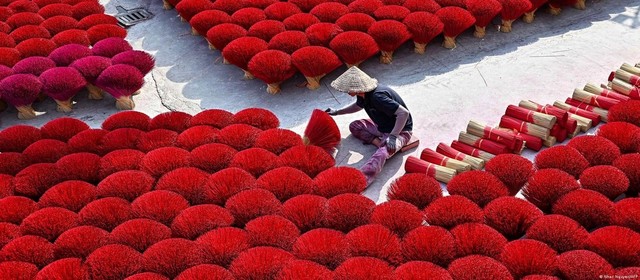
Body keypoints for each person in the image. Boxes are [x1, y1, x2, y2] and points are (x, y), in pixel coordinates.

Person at [326, 66, 413, 185]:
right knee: (355, 126)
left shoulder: (378, 97)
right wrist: (337, 112)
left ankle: (362, 180)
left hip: (400, 130)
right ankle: (380, 143)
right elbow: (358, 106)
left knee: (382, 154)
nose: (346, 92)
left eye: (347, 89)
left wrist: (393, 136)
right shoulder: (363, 94)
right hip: (381, 126)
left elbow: (403, 113)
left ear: (357, 89)